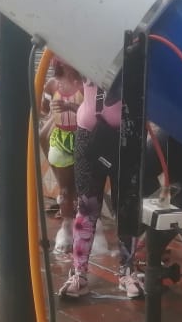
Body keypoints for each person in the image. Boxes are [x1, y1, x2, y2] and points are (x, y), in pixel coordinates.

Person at [57, 79, 142, 300]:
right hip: (89, 134)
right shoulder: (86, 57)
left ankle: (128, 271)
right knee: (86, 206)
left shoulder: (134, 54)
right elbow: (67, 82)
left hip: (128, 134)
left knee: (127, 206)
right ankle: (79, 274)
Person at [40, 57, 84, 257]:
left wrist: (70, 108)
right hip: (61, 137)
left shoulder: (84, 83)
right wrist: (51, 109)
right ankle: (67, 228)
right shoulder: (52, 85)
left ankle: (83, 226)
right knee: (66, 190)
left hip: (82, 137)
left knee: (82, 190)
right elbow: (43, 108)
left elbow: (93, 111)